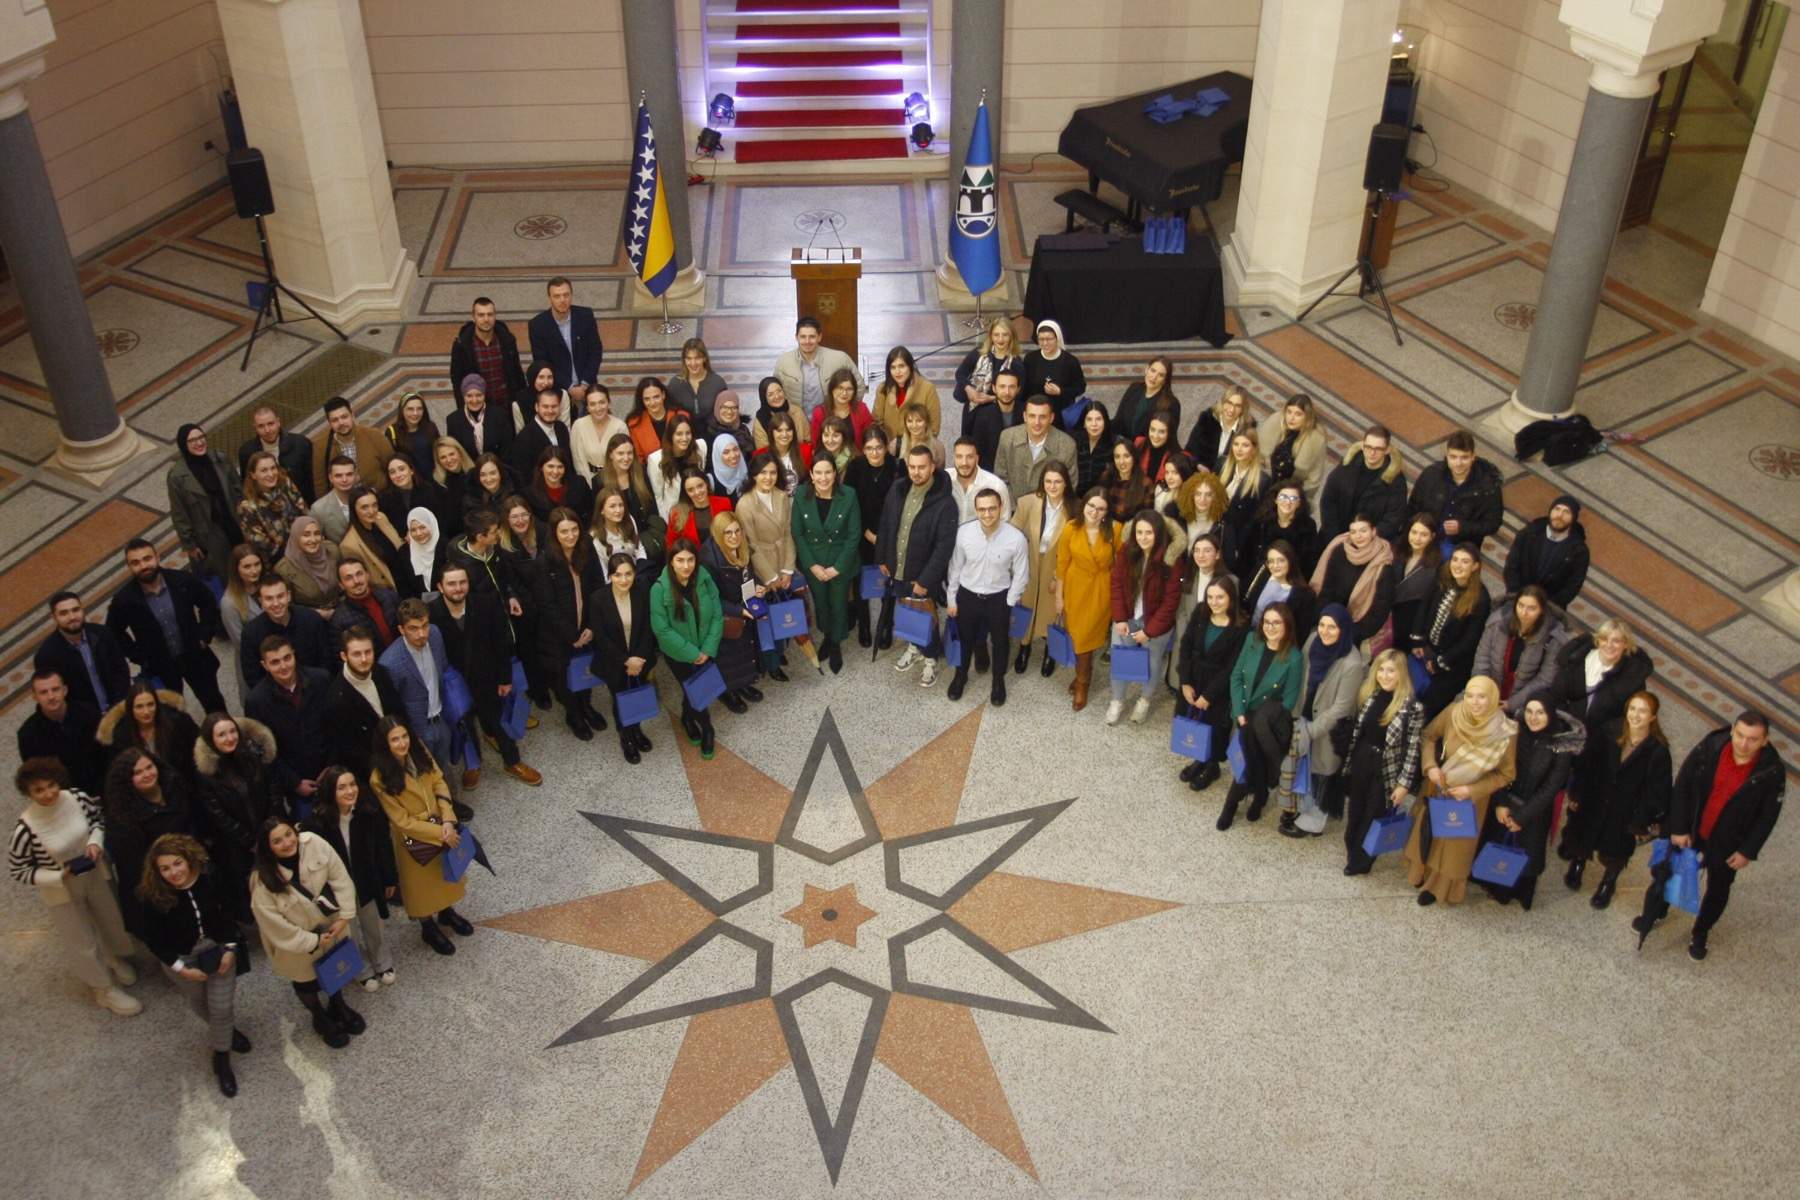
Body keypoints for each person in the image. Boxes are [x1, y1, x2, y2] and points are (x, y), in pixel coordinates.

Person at [1640, 710, 1785, 960]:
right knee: (1669, 873)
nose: (1744, 743)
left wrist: (1747, 851)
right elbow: (1683, 785)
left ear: (1765, 740)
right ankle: (1656, 912)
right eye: (1740, 735)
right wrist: (1679, 827)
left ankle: (1701, 931)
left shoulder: (1771, 772)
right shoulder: (1711, 747)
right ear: (1732, 730)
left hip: (1729, 842)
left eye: (1752, 739)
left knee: (1718, 889)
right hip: (1693, 830)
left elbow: (1767, 817)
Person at [9, 758, 141, 1017]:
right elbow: (18, 869)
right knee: (80, 938)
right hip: (62, 888)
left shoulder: (78, 798)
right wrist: (58, 875)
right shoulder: (25, 829)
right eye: (39, 790)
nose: (48, 793)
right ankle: (103, 989)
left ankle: (113, 956)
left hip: (95, 873)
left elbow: (98, 820)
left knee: (109, 917)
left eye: (51, 785)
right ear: (28, 793)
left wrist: (94, 842)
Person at [136, 833, 250, 1096]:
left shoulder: (211, 877)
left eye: (177, 863)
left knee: (221, 1007)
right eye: (165, 868)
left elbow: (228, 912)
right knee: (200, 1003)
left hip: (217, 949)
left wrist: (230, 948)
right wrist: (181, 969)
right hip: (180, 958)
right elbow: (153, 940)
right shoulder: (150, 896)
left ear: (188, 858)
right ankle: (227, 1032)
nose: (173, 872)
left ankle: (221, 1059)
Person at [1546, 617, 1655, 869]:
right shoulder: (1578, 660)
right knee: (1557, 784)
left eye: (1617, 641)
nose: (1609, 645)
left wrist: (1606, 735)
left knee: (1584, 795)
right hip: (1567, 735)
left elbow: (1627, 715)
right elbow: (1558, 693)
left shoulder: (1632, 677)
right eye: (1605, 639)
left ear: (1626, 645)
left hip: (1599, 745)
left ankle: (1574, 844)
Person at [249, 817, 365, 1048]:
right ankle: (319, 1017)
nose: (286, 843)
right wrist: (313, 940)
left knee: (334, 969)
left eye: (288, 834)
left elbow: (339, 877)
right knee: (307, 983)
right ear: (267, 847)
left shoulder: (314, 843)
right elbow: (273, 924)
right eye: (277, 841)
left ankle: (338, 1005)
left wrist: (345, 916)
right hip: (297, 944)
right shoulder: (261, 880)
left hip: (332, 925)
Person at [1405, 676, 1517, 906]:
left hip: (1471, 799)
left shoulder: (1505, 731)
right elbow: (1428, 736)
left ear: (1493, 698)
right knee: (1429, 833)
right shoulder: (1453, 713)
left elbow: (1506, 774)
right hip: (1439, 787)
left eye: (1481, 697)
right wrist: (1430, 766)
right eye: (1470, 695)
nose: (1474, 702)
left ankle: (1438, 889)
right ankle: (1420, 874)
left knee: (1454, 847)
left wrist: (1471, 790)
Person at [368, 715, 474, 956]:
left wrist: (448, 819)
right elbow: (401, 821)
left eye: (404, 736)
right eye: (395, 739)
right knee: (421, 887)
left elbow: (439, 781)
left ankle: (446, 912)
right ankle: (427, 926)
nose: (402, 743)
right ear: (385, 743)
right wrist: (441, 832)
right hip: (414, 837)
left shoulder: (420, 751)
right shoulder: (379, 778)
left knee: (443, 874)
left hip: (440, 824)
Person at [431, 563, 542, 786]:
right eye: (451, 584)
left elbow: (501, 642)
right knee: (465, 724)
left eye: (462, 582)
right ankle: (473, 764)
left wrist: (505, 678)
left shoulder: (486, 603)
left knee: (499, 720)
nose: (458, 588)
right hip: (455, 682)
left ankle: (512, 761)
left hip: (488, 676)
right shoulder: (431, 614)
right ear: (440, 587)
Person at [1564, 690, 1670, 909]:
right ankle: (1578, 863)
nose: (1635, 715)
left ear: (1652, 717)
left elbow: (1656, 791)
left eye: (1643, 711)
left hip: (1625, 810)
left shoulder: (1657, 750)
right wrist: (1577, 793)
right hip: (1595, 798)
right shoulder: (1609, 730)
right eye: (1632, 709)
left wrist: (1641, 820)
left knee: (1616, 850)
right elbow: (1587, 764)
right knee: (1583, 835)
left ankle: (1608, 882)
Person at [1474, 698, 1583, 910]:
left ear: (1550, 715)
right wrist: (1501, 803)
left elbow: (1551, 788)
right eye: (1529, 711)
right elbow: (1499, 769)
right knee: (1497, 847)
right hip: (1505, 805)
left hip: (1534, 813)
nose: (1533, 717)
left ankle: (1514, 893)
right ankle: (1492, 885)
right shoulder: (1514, 733)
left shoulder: (1560, 745)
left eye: (1540, 712)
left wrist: (1521, 818)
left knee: (1523, 857)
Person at [303, 766, 398, 990]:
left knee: (374, 924)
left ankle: (382, 962)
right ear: (330, 792)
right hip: (337, 889)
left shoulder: (369, 811)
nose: (350, 791)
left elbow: (383, 845)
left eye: (352, 784)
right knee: (349, 931)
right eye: (342, 787)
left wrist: (389, 877)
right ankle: (361, 968)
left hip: (367, 880)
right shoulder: (316, 823)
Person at [104, 746, 211, 940]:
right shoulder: (121, 814)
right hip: (158, 879)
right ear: (126, 780)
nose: (147, 774)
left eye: (149, 767)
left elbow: (194, 821)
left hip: (190, 862)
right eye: (138, 772)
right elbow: (134, 863)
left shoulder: (174, 784)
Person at [106, 538, 225, 712]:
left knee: (213, 702)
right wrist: (138, 656)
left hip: (195, 655)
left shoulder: (181, 580)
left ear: (157, 557)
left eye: (147, 559)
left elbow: (207, 602)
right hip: (160, 666)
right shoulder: (124, 600)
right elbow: (113, 631)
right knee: (171, 713)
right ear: (129, 567)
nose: (143, 566)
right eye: (136, 563)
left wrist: (204, 635)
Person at [1282, 605, 1369, 837]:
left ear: (1343, 629)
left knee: (1323, 771)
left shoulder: (1351, 663)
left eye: (1332, 627)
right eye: (1322, 625)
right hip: (1306, 712)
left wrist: (1311, 730)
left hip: (1329, 726)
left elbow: (1341, 708)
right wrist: (1296, 716)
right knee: (1304, 765)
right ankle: (1301, 806)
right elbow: (1301, 676)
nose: (1325, 631)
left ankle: (1315, 821)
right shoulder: (1313, 641)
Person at [879, 446, 959, 688]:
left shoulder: (945, 502)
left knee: (927, 618)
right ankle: (914, 647)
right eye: (912, 467)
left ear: (932, 467)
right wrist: (882, 558)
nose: (916, 472)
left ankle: (931, 659)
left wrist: (925, 581)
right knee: (908, 614)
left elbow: (944, 548)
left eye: (921, 467)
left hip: (922, 577)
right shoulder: (897, 489)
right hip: (898, 569)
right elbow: (886, 523)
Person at [1340, 649, 1426, 874]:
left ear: (1401, 674)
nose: (1385, 676)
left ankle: (1362, 861)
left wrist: (1404, 784)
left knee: (1373, 815)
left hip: (1386, 768)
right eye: (1381, 669)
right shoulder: (1369, 695)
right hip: (1362, 760)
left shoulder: (1413, 708)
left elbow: (1413, 750)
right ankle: (1353, 849)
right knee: (1356, 810)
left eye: (1391, 671)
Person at [1220, 604, 1304, 829]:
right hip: (1243, 714)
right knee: (1247, 761)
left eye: (1276, 622)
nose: (1270, 627)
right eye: (1267, 622)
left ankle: (1232, 804)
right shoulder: (1252, 641)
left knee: (1248, 762)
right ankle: (1259, 794)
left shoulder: (1294, 658)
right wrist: (1239, 713)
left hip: (1268, 723)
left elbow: (1289, 701)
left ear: (1287, 626)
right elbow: (1236, 677)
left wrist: (1261, 722)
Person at [945, 487, 1031, 706]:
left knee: (1001, 643)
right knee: (965, 639)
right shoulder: (964, 533)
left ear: (1001, 508)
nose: (987, 514)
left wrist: (1009, 602)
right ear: (976, 510)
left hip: (998, 598)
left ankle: (998, 681)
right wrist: (952, 599)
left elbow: (1021, 574)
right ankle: (961, 675)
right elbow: (955, 568)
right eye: (982, 509)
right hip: (968, 596)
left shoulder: (1016, 538)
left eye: (992, 508)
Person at [533, 507, 608, 740]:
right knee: (564, 678)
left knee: (585, 670)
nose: (571, 535)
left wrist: (591, 627)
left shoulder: (587, 550)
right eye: (564, 531)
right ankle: (573, 714)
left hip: (586, 628)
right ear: (554, 534)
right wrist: (571, 635)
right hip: (559, 635)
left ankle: (586, 706)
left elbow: (598, 587)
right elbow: (546, 605)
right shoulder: (544, 561)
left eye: (574, 529)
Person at [378, 599, 466, 797]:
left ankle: (451, 802)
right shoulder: (390, 663)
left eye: (424, 625)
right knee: (424, 773)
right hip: (418, 729)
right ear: (401, 630)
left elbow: (443, 667)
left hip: (442, 717)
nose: (422, 634)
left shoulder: (435, 634)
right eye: (413, 628)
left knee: (443, 764)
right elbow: (393, 707)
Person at [1105, 511, 1182, 725]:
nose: (1143, 537)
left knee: (1152, 663)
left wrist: (1150, 631)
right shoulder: (1126, 552)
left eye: (1149, 532)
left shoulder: (1171, 560)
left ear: (1159, 533)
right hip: (1127, 619)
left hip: (1155, 624)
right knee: (1120, 660)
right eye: (1139, 532)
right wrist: (1120, 618)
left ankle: (1145, 700)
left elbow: (1171, 601)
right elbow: (1116, 584)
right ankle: (1117, 700)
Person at [243, 636, 332, 819]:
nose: (283, 666)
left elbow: (337, 725)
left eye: (287, 658)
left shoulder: (321, 680)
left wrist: (332, 764)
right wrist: (294, 782)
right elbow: (262, 751)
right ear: (265, 665)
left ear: (294, 655)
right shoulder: (256, 701)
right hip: (296, 781)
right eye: (275, 662)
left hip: (331, 768)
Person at [651, 539, 725, 758]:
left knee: (694, 688)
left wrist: (707, 648)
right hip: (679, 655)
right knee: (692, 689)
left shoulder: (704, 579)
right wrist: (693, 654)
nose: (686, 566)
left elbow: (717, 614)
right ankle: (707, 728)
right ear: (671, 562)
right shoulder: (659, 589)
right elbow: (662, 630)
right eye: (680, 560)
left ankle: (686, 717)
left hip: (706, 648)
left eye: (691, 560)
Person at [193, 711, 275, 900]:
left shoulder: (252, 756)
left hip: (269, 833)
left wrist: (269, 830)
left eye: (232, 731)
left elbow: (272, 789)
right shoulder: (206, 773)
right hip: (238, 847)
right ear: (211, 739)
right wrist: (250, 841)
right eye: (221, 735)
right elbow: (218, 815)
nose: (230, 738)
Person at [1175, 579, 1248, 790]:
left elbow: (1232, 667)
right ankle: (1200, 758)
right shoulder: (1201, 612)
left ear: (1231, 598)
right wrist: (1185, 682)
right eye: (1210, 597)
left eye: (1220, 597)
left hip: (1218, 688)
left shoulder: (1241, 627)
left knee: (1215, 729)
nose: (1213, 602)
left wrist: (1209, 695)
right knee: (1195, 722)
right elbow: (1186, 645)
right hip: (1194, 678)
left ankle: (1212, 766)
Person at [590, 554, 662, 763]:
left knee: (637, 695)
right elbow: (601, 638)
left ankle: (637, 730)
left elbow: (648, 628)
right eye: (618, 575)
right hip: (614, 662)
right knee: (620, 700)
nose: (624, 580)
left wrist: (638, 659)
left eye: (628, 574)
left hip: (640, 660)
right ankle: (626, 737)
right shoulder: (598, 599)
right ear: (610, 576)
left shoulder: (642, 592)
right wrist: (626, 661)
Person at [793, 456, 861, 675]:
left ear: (835, 474)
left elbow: (854, 535)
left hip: (840, 562)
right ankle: (827, 635)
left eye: (828, 472)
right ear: (811, 475)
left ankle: (836, 643)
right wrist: (812, 565)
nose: (823, 478)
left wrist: (837, 567)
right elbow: (798, 533)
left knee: (838, 604)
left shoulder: (848, 495)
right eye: (818, 473)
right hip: (814, 563)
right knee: (821, 603)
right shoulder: (801, 495)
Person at [1407, 544, 1491, 720]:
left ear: (1475, 566)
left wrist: (1440, 662)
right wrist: (1417, 639)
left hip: (1452, 664)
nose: (1458, 565)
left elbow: (1470, 640)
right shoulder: (1442, 578)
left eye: (1465, 561)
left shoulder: (1481, 598)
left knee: (1427, 709)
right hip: (1427, 649)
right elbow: (1424, 606)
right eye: (1455, 559)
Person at [1009, 462, 1074, 677]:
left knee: (1051, 611)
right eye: (1048, 481)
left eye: (1058, 482)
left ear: (1066, 483)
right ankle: (1024, 647)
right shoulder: (1028, 502)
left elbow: (1072, 549)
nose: (1052, 486)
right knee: (1027, 607)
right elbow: (1012, 533)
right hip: (1030, 561)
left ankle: (1050, 650)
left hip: (1055, 565)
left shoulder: (1074, 509)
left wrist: (1058, 576)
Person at [1056, 489, 1119, 712]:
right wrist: (1059, 597)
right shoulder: (1071, 528)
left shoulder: (1115, 530)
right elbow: (1062, 564)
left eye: (1101, 508)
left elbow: (1120, 565)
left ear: (1106, 512)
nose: (1094, 512)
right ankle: (1081, 675)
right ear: (1084, 505)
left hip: (1100, 591)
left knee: (1087, 638)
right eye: (1091, 506)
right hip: (1075, 589)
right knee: (1077, 636)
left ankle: (1083, 683)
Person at [695, 518, 762, 713]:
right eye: (728, 532)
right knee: (728, 657)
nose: (734, 536)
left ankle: (743, 684)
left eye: (737, 531)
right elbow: (710, 598)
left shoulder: (742, 547)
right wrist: (738, 610)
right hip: (723, 616)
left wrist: (757, 585)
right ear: (718, 533)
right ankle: (728, 692)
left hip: (742, 606)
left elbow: (748, 573)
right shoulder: (707, 559)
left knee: (744, 650)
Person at [1472, 586, 1569, 716]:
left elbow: (1545, 678)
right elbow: (1482, 659)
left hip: (1522, 703)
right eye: (1521, 605)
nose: (1524, 612)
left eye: (1531, 608)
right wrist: (1482, 692)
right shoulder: (1497, 623)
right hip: (1487, 693)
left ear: (1542, 610)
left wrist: (1512, 704)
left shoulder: (1553, 638)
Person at [323, 627, 403, 781]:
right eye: (357, 654)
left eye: (368, 652)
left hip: (400, 751)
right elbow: (349, 749)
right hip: (373, 772)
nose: (364, 659)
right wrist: (383, 767)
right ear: (344, 656)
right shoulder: (336, 699)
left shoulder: (381, 672)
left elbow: (398, 711)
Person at [845, 425, 900, 647]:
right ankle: (864, 625)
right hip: (862, 534)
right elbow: (849, 504)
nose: (874, 453)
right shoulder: (855, 468)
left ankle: (886, 625)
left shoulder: (897, 467)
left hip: (890, 536)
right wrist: (866, 532)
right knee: (861, 583)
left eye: (879, 447)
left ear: (886, 448)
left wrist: (884, 537)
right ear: (863, 449)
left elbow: (901, 506)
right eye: (869, 448)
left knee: (888, 584)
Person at [168, 423, 244, 578]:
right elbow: (179, 513)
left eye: (201, 437)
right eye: (192, 440)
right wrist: (189, 544)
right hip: (209, 534)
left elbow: (237, 486)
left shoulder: (219, 458)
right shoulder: (177, 477)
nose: (199, 443)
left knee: (247, 562)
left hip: (234, 521)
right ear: (183, 445)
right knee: (227, 573)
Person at [1407, 431, 1505, 550]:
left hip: (1460, 545)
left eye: (1464, 457)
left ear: (1473, 456)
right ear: (1446, 455)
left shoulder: (1488, 486)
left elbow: (1493, 524)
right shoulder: (1431, 474)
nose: (1458, 463)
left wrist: (1463, 528)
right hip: (1426, 537)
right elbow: (1413, 507)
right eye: (1453, 457)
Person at [35, 591, 129, 713]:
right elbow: (55, 695)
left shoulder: (103, 634)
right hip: (82, 720)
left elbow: (121, 671)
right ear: (54, 617)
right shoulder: (46, 655)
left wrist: (117, 707)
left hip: (118, 710)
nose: (72, 617)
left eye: (75, 610)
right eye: (64, 613)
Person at [1308, 514, 1393, 646]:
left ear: (1373, 531)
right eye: (1353, 532)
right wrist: (1323, 621)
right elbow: (1327, 589)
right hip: (1329, 621)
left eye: (1363, 531)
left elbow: (1380, 609)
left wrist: (1351, 634)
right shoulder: (1340, 551)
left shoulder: (1383, 562)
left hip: (1356, 629)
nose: (1358, 536)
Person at [98, 681, 201, 786]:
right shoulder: (121, 737)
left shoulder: (178, 722)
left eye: (150, 705)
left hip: (183, 784)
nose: (146, 711)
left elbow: (198, 751)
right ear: (130, 710)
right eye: (139, 707)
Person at [17, 671, 103, 796]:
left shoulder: (89, 713)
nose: (51, 696)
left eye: (55, 689)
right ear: (35, 697)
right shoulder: (27, 735)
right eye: (43, 692)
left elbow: (108, 751)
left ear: (65, 690)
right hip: (64, 797)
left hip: (105, 786)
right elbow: (37, 776)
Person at [1319, 424, 1408, 543]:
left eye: (1378, 449)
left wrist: (1365, 540)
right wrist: (1334, 537)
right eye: (1368, 447)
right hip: (1334, 537)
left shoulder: (1395, 481)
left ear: (1387, 450)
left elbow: (1393, 519)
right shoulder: (1347, 466)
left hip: (1369, 544)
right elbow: (1328, 501)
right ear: (1362, 445)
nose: (1372, 453)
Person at [239, 575, 333, 688]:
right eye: (269, 598)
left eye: (280, 596)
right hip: (274, 693)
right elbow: (253, 677)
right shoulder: (251, 633)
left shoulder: (312, 619)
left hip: (315, 687)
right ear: (261, 602)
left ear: (288, 596)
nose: (276, 603)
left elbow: (326, 660)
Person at [1503, 494, 1590, 609]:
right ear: (1550, 511)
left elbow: (1573, 585)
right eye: (1557, 509)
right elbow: (1512, 565)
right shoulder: (1529, 533)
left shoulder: (1579, 550)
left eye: (1566, 512)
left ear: (1573, 518)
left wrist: (1548, 606)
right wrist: (1516, 594)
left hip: (1549, 609)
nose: (1560, 515)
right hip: (1517, 599)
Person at [527, 276, 603, 400]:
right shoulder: (538, 325)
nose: (562, 300)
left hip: (587, 386)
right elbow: (542, 362)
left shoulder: (585, 316)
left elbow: (595, 351)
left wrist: (585, 384)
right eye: (557, 296)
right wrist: (570, 388)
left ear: (571, 295)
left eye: (566, 295)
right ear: (549, 298)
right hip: (558, 391)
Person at [449, 297, 528, 415]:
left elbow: (517, 372)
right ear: (473, 317)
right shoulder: (462, 346)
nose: (486, 319)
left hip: (507, 406)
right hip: (480, 409)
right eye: (481, 315)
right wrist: (463, 410)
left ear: (495, 316)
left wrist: (523, 402)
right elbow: (457, 381)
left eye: (490, 314)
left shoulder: (507, 340)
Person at [775, 315, 860, 418]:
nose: (807, 341)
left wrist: (845, 415)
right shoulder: (783, 362)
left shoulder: (840, 359)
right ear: (796, 337)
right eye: (803, 337)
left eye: (812, 337)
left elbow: (859, 385)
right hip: (797, 422)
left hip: (831, 422)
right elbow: (775, 393)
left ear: (819, 337)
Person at [996, 393, 1077, 500]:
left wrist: (1042, 508)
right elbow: (1000, 480)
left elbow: (1069, 487)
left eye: (1042, 417)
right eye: (1032, 416)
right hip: (1013, 506)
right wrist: (1019, 507)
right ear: (1025, 416)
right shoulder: (1007, 438)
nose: (1037, 422)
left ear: (1051, 418)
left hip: (1049, 507)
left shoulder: (1067, 445)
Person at [310, 396, 394, 496]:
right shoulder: (320, 447)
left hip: (380, 495)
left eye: (344, 417)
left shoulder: (374, 435)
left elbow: (392, 466)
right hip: (345, 501)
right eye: (335, 420)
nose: (341, 423)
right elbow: (320, 486)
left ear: (352, 415)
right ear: (329, 423)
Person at [237, 450, 309, 563]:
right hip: (281, 560)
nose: (271, 474)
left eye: (273, 468)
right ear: (253, 475)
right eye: (264, 470)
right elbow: (262, 546)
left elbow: (304, 512)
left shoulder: (286, 484)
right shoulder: (247, 507)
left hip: (305, 545)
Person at [1257, 393, 1328, 508]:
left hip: (1290, 498)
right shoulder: (1275, 426)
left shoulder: (1315, 441)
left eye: (1298, 414)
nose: (1291, 418)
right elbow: (1258, 458)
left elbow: (1313, 479)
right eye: (1289, 412)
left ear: (1307, 417)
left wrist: (1293, 496)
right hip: (1263, 489)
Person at [1386, 513, 1442, 654]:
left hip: (1409, 622)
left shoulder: (1436, 566)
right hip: (1386, 615)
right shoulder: (1396, 551)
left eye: (1423, 534)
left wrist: (1417, 635)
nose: (1417, 538)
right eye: (1414, 532)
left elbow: (1429, 605)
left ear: (1432, 536)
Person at [235, 406, 314, 504]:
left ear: (278, 422)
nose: (267, 430)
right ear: (255, 427)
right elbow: (248, 484)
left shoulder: (301, 443)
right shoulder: (247, 452)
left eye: (270, 424)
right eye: (261, 426)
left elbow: (310, 481)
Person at [1242, 481, 1318, 582]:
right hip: (1260, 575)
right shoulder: (1262, 521)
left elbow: (1308, 563)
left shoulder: (1307, 527)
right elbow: (1247, 552)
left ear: (1299, 503)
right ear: (1276, 499)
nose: (1288, 502)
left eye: (1294, 498)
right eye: (1283, 497)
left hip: (1289, 579)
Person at [1218, 432, 1271, 574]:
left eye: (1245, 445)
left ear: (1254, 449)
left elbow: (1252, 520)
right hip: (1214, 527)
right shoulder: (1221, 465)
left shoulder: (1262, 480)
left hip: (1235, 535)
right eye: (1236, 444)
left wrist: (1238, 546)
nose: (1239, 449)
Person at [1242, 540, 1317, 638]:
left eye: (1281, 560)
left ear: (1290, 561)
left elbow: (1300, 632)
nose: (1275, 565)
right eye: (1271, 561)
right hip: (1250, 635)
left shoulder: (1305, 595)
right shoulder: (1261, 575)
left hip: (1279, 642)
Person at [219, 546, 267, 698]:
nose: (254, 570)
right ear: (236, 569)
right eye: (247, 566)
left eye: (257, 564)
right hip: (255, 661)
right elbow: (241, 643)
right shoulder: (229, 602)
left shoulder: (267, 584)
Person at [340, 486, 405, 593]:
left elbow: (398, 544)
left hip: (406, 576)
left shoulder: (381, 518)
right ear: (354, 510)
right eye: (364, 507)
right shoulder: (349, 545)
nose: (371, 511)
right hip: (388, 590)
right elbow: (362, 579)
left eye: (374, 505)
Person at [274, 516, 342, 617]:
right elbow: (287, 605)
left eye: (317, 534)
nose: (313, 540)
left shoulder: (331, 551)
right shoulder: (284, 569)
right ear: (296, 537)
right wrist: (316, 613)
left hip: (340, 610)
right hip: (308, 618)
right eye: (306, 535)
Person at [871, 345, 941, 441]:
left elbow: (933, 427)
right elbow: (876, 422)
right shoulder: (882, 388)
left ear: (910, 367)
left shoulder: (928, 388)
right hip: (889, 444)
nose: (897, 371)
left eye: (901, 366)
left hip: (918, 445)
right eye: (893, 367)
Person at [592, 488, 661, 583]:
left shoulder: (629, 520)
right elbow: (604, 571)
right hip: (617, 582)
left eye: (621, 505)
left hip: (638, 574)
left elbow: (638, 548)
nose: (618, 510)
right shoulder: (596, 538)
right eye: (612, 506)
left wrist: (642, 566)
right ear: (601, 510)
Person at [954, 316, 1020, 416]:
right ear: (991, 336)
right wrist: (969, 389)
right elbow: (960, 373)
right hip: (972, 408)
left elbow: (1020, 394)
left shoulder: (1016, 363)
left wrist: (992, 398)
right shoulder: (979, 352)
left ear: (1011, 337)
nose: (1000, 339)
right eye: (996, 335)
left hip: (998, 412)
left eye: (1005, 335)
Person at [646, 413, 709, 518]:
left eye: (688, 433)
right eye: (679, 434)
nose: (684, 438)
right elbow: (658, 497)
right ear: (671, 436)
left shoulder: (701, 447)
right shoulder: (656, 460)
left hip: (699, 504)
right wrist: (667, 522)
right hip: (676, 512)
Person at [447, 373, 517, 466]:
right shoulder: (453, 420)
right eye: (469, 396)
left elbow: (507, 450)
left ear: (484, 395)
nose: (474, 400)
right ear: (463, 396)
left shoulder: (500, 415)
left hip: (497, 469)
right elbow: (456, 453)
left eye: (479, 395)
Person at [1021, 319, 1086, 418]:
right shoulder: (1030, 359)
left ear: (1057, 338)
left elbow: (1080, 387)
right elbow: (1024, 387)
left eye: (1049, 339)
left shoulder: (1070, 361)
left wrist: (1060, 391)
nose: (1045, 343)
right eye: (1041, 339)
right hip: (1037, 413)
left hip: (1062, 412)